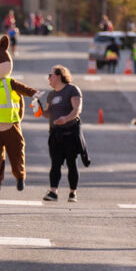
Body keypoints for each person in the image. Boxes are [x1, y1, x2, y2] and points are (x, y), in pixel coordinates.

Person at [38, 65, 90, 203]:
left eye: (51, 75)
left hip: (70, 133)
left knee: (71, 163)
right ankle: (53, 192)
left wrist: (65, 119)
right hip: (55, 134)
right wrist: (40, 109)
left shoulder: (72, 90)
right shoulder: (51, 94)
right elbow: (48, 114)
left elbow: (77, 109)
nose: (49, 78)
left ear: (59, 76)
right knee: (55, 163)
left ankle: (73, 193)